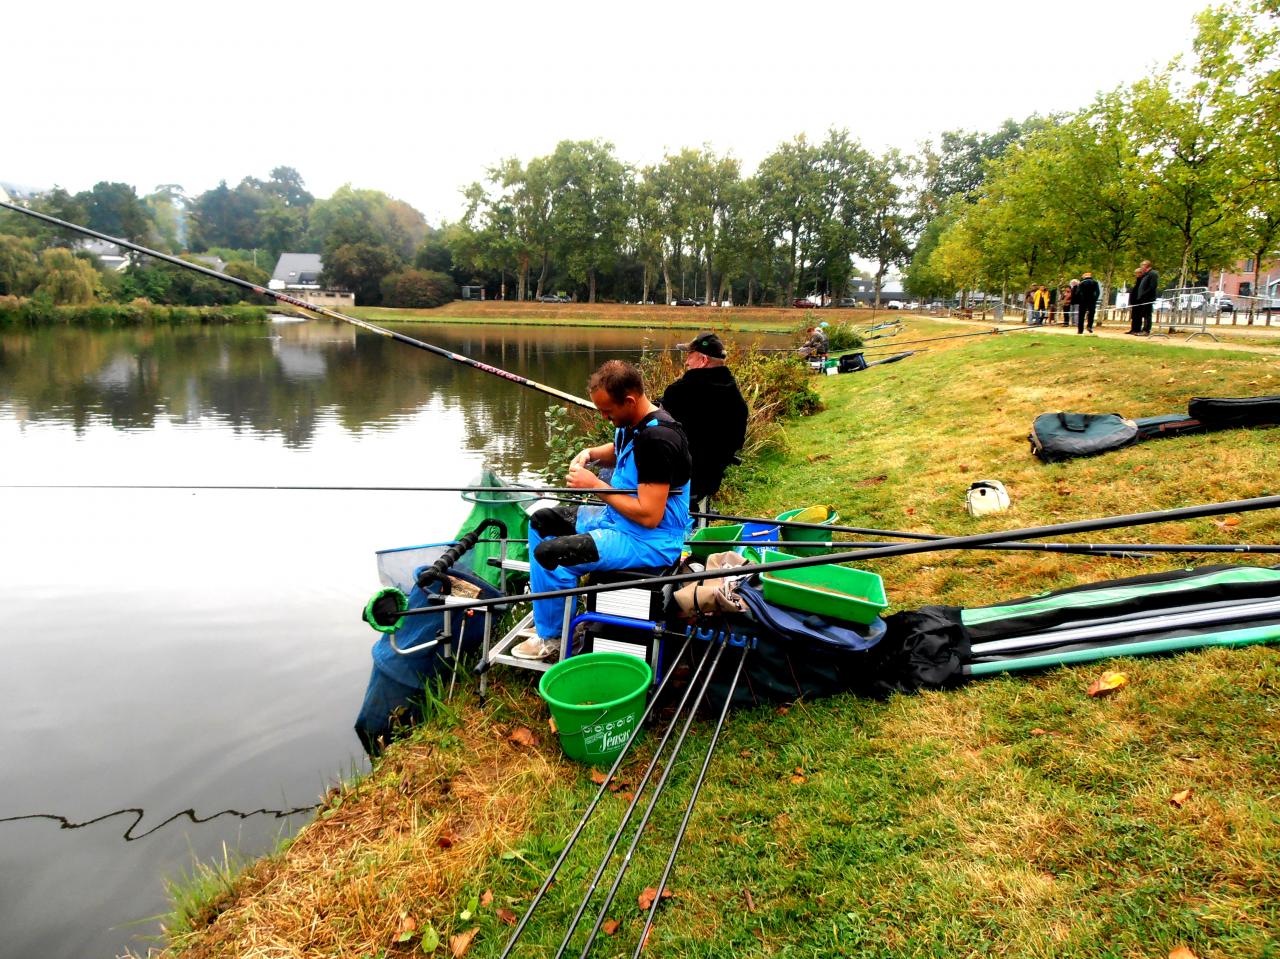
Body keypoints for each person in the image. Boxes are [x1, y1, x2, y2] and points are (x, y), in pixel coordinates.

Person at [511, 360, 691, 661]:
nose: (605, 417)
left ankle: (554, 639)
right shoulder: (636, 422)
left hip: (650, 540)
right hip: (617, 521)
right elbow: (620, 449)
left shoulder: (658, 440)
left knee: (551, 555)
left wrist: (594, 484)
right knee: (542, 522)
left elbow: (650, 515)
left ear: (630, 400)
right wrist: (591, 453)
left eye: (608, 411)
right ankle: (555, 624)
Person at [660, 332, 749, 511]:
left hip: (677, 480)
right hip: (710, 479)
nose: (686, 362)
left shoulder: (678, 392)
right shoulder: (735, 397)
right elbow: (737, 441)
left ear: (703, 360)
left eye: (689, 356)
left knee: (610, 472)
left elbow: (658, 431)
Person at [1129, 260, 1158, 335]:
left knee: (1147, 315)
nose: (1141, 267)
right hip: (1143, 298)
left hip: (1148, 298)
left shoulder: (1153, 274)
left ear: (1146, 265)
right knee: (1144, 314)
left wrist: (1144, 294)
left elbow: (1152, 286)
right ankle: (1141, 329)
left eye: (1142, 265)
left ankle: (1146, 330)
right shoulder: (1146, 274)